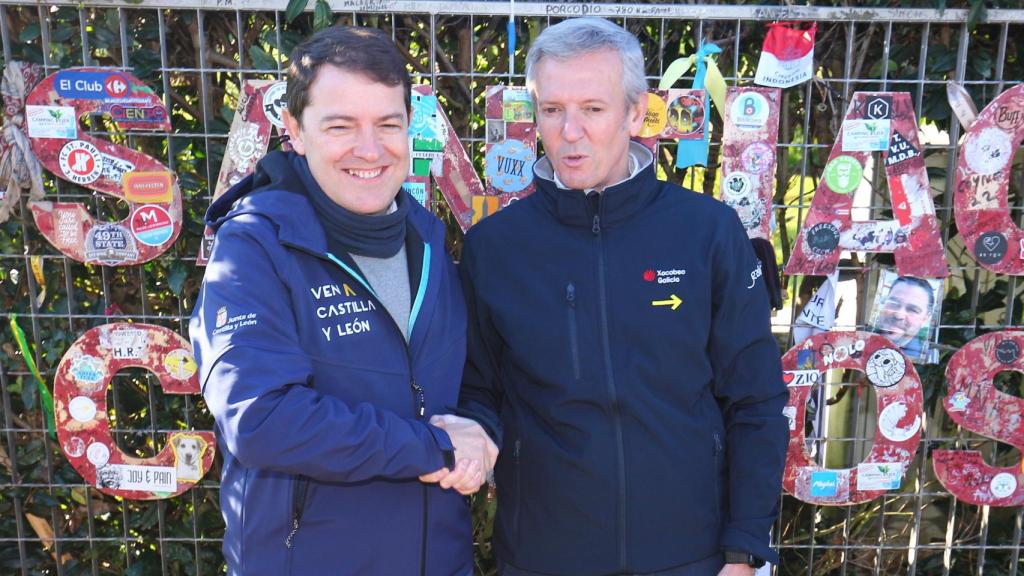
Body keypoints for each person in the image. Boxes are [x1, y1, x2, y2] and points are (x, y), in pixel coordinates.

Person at [454, 17, 790, 576]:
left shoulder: (707, 232)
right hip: (544, 557)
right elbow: (477, 393)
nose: (570, 131)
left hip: (693, 558)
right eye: (552, 109)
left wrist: (744, 549)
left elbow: (754, 400)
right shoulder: (495, 248)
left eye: (593, 108)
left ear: (636, 113)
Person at [189, 25, 492, 576]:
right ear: (295, 132)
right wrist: (432, 448)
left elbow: (465, 384)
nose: (370, 149)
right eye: (341, 126)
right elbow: (259, 417)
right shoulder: (255, 246)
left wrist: (481, 435)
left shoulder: (425, 238)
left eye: (387, 124)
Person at [873, 276, 935, 359]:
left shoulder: (927, 363)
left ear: (925, 319)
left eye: (912, 310)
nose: (898, 315)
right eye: (893, 303)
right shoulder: (860, 342)